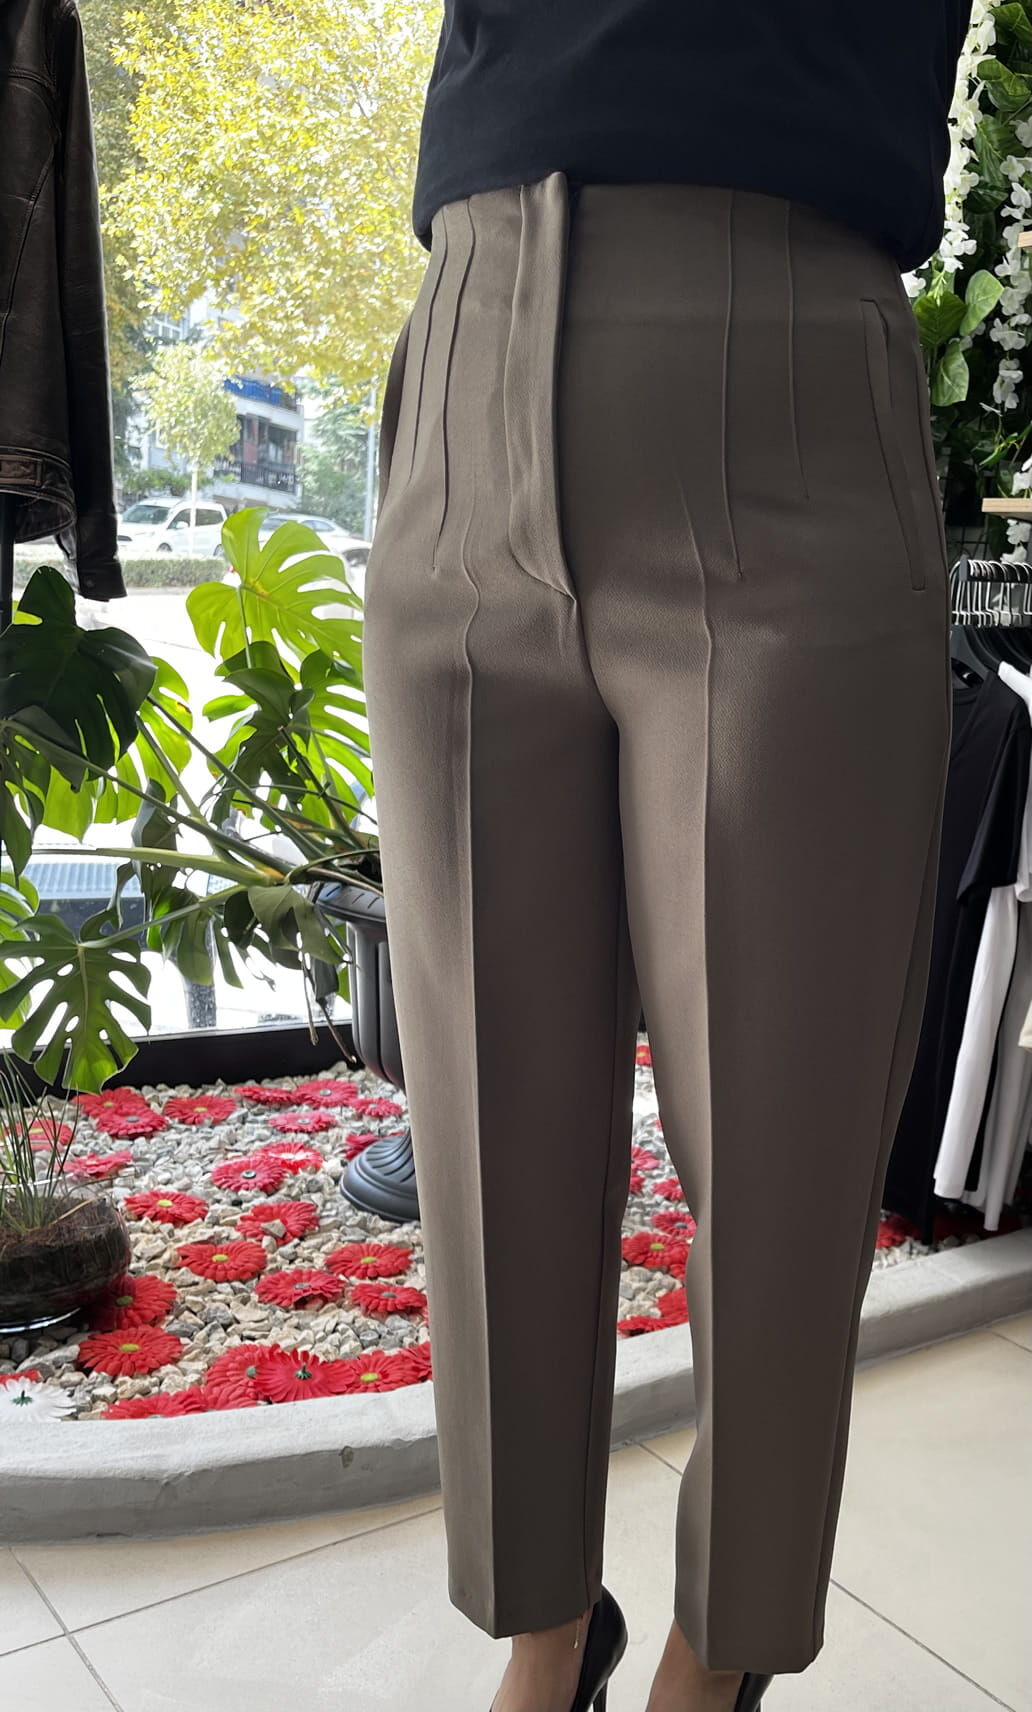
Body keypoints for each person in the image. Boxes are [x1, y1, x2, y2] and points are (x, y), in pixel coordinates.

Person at [361, 4, 975, 1709]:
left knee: (780, 1143)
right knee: (486, 1120)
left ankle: (717, 1661)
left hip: (784, 339)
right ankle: (545, 1634)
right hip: (468, 333)